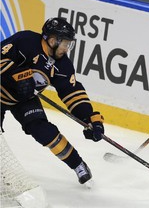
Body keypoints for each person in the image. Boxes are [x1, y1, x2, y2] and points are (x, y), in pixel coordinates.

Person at [0, 18, 104, 186]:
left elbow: (71, 92)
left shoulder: (63, 65)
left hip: (24, 99)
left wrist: (89, 118)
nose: (66, 48)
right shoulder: (26, 41)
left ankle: (78, 165)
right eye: (65, 43)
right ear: (52, 39)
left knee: (44, 132)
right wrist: (17, 78)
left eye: (69, 44)